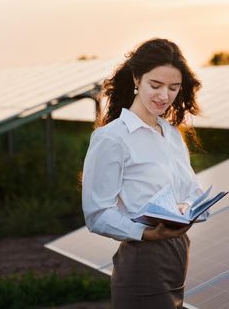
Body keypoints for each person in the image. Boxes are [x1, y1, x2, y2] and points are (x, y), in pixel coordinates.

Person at [82, 38, 206, 308]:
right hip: (143, 258)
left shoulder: (172, 135)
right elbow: (97, 214)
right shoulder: (112, 138)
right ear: (137, 78)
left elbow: (191, 191)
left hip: (178, 253)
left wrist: (188, 207)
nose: (164, 96)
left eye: (173, 88)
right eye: (156, 85)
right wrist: (145, 233)